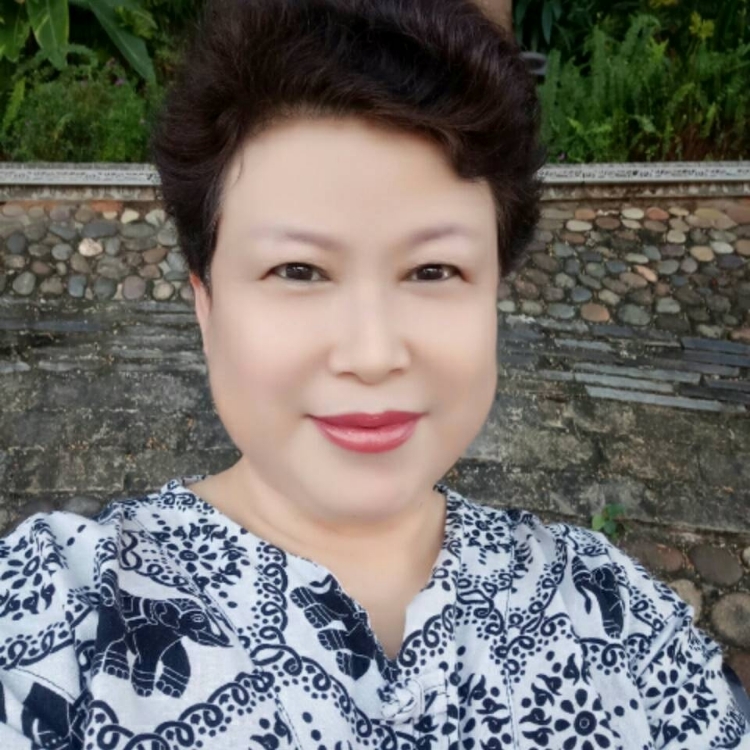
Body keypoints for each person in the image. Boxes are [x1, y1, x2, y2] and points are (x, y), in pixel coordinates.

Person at [1, 0, 748, 747]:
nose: (372, 353)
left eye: (434, 270)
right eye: (298, 270)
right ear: (206, 302)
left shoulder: (617, 610)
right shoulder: (61, 611)